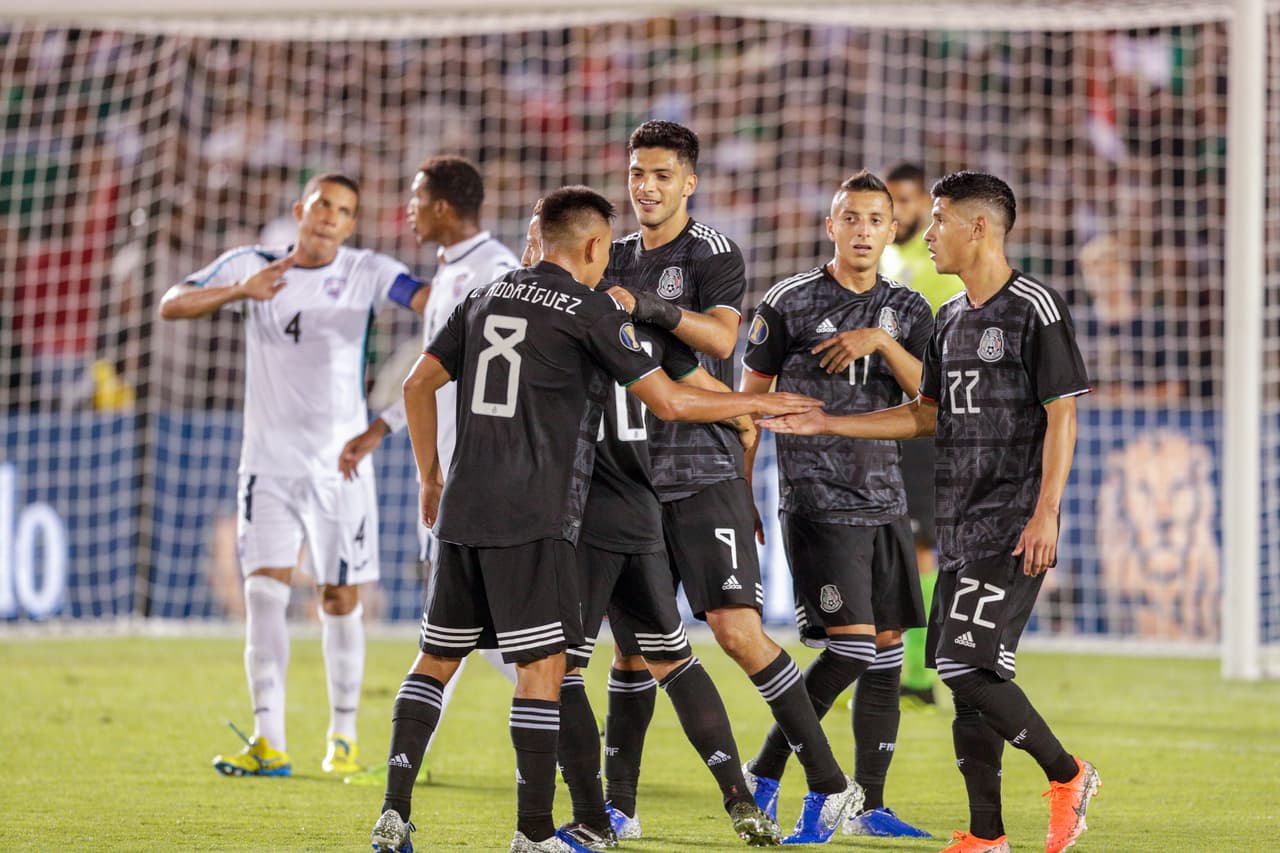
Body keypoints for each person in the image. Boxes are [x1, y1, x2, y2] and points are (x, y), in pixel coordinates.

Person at [369, 185, 823, 853]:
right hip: (539, 517)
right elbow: (667, 401)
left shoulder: (483, 295)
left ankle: (393, 812)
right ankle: (532, 833)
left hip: (464, 504)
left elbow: (416, 385)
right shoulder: (589, 310)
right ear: (591, 247)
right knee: (546, 671)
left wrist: (429, 476)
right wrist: (751, 407)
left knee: (433, 660)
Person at [759, 171, 1100, 853]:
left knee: (960, 666)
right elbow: (925, 414)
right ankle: (985, 833)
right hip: (959, 522)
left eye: (938, 219)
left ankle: (1069, 773)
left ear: (979, 227)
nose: (929, 231)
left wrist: (1047, 512)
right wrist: (831, 424)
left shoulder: (1034, 306)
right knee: (970, 676)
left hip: (1013, 520)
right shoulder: (949, 317)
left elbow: (1062, 413)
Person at [603, 120, 860, 845]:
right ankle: (619, 805)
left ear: (688, 181)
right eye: (636, 173)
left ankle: (833, 784)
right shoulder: (611, 255)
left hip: (702, 467)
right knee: (636, 649)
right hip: (632, 477)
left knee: (739, 631)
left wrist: (644, 307)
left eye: (660, 174)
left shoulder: (711, 252)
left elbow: (721, 338)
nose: (645, 187)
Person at [515, 200, 783, 850]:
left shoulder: (561, 318)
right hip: (643, 506)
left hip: (591, 512)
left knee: (558, 665)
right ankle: (740, 798)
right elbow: (678, 392)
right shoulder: (628, 325)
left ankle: (592, 818)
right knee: (672, 656)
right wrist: (743, 407)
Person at [158, 173, 430, 778]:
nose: (331, 217)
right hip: (267, 466)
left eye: (344, 210)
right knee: (263, 595)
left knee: (339, 598)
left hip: (340, 467)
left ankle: (343, 734)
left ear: (352, 224)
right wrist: (240, 292)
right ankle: (268, 739)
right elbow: (172, 302)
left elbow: (428, 299)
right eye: (323, 205)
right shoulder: (251, 264)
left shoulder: (366, 269)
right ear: (299, 210)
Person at [739, 170, 933, 839]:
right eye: (849, 217)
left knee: (884, 649)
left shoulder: (908, 311)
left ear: (891, 228)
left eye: (875, 219)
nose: (862, 230)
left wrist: (880, 343)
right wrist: (741, 493)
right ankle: (779, 782)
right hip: (818, 500)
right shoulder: (788, 302)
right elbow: (748, 403)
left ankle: (868, 803)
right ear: (831, 226)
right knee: (848, 650)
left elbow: (929, 408)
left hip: (885, 499)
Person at [337, 156, 520, 786]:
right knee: (465, 623)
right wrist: (383, 427)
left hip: (474, 472)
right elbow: (430, 375)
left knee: (461, 624)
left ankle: (564, 713)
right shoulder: (450, 274)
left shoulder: (494, 271)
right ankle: (563, 713)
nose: (407, 210)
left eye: (415, 198)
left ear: (442, 205)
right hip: (442, 465)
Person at [881, 162, 966, 708]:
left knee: (922, 548)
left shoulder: (935, 268)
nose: (901, 212)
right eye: (894, 201)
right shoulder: (888, 259)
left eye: (908, 201)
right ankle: (894, 670)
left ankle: (918, 676)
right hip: (891, 417)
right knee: (896, 545)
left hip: (928, 418)